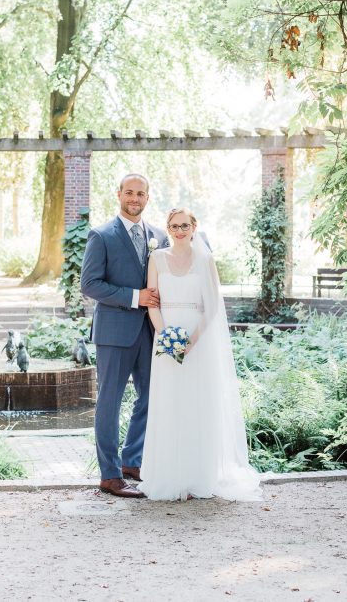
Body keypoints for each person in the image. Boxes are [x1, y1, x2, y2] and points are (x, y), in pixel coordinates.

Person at [139, 208, 263, 502]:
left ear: (194, 227)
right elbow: (152, 302)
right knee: (169, 403)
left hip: (199, 339)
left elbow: (213, 306)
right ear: (168, 229)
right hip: (167, 337)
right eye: (174, 226)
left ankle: (198, 477)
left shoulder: (205, 260)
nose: (179, 231)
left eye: (184, 225)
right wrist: (167, 338)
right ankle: (169, 476)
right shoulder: (157, 259)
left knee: (197, 403)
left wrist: (191, 341)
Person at [80, 174, 168, 499]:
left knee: (151, 396)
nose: (134, 198)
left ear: (148, 197)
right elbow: (90, 284)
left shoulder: (160, 236)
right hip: (114, 332)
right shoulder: (101, 235)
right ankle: (110, 475)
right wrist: (135, 297)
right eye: (129, 192)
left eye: (140, 194)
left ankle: (132, 461)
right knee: (110, 402)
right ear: (119, 194)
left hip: (150, 330)